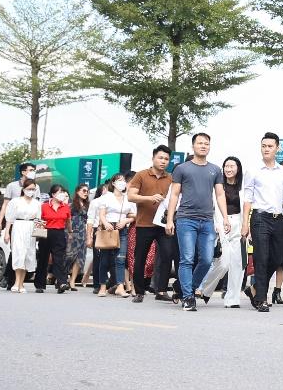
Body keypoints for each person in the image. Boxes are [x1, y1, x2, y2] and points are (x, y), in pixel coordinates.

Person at [167, 132, 231, 313]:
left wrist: (225, 217)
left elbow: (219, 194)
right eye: (200, 143)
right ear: (193, 146)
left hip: (207, 221)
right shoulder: (182, 168)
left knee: (206, 259)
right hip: (186, 219)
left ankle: (184, 289)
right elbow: (174, 195)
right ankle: (188, 296)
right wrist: (170, 219)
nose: (203, 146)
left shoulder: (215, 170)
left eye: (206, 143)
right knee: (186, 259)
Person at [245, 132, 283, 313]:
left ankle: (254, 289)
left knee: (277, 259)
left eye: (270, 146)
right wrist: (246, 223)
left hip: (278, 220)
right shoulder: (253, 170)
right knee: (261, 257)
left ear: (277, 148)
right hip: (260, 217)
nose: (266, 149)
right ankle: (261, 298)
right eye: (263, 146)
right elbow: (247, 199)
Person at [125, 146, 174, 304]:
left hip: (163, 224)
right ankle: (139, 292)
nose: (163, 161)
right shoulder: (141, 175)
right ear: (153, 158)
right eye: (160, 158)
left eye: (166, 159)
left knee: (167, 256)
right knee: (140, 257)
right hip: (144, 224)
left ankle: (161, 290)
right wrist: (149, 198)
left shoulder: (171, 178)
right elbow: (131, 196)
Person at [197, 157, 245, 308]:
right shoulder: (217, 186)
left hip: (239, 223)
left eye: (232, 166)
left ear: (238, 168)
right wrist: (216, 224)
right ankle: (205, 289)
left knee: (238, 264)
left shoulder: (243, 187)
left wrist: (246, 226)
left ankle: (233, 300)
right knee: (223, 263)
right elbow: (212, 206)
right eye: (226, 166)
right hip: (221, 223)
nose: (229, 169)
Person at [91, 180, 133, 296]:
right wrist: (105, 223)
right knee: (104, 259)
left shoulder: (127, 198)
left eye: (124, 181)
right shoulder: (107, 197)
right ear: (113, 183)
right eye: (119, 181)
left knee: (121, 259)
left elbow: (133, 215)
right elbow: (102, 214)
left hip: (122, 229)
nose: (122, 183)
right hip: (108, 228)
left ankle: (120, 286)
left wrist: (126, 220)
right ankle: (102, 286)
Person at [0, 179, 41, 293]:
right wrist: (7, 232)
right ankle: (17, 282)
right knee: (19, 252)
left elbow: (39, 219)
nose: (31, 191)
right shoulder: (16, 201)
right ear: (23, 189)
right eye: (29, 189)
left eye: (33, 189)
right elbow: (9, 218)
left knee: (28, 254)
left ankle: (21, 283)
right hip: (18, 227)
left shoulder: (37, 203)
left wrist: (39, 234)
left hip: (30, 228)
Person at [35, 184, 71, 293]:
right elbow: (38, 220)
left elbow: (68, 221)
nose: (62, 195)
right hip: (46, 232)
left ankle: (62, 282)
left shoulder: (65, 207)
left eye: (63, 192)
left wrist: (70, 232)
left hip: (59, 233)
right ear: (53, 194)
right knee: (43, 259)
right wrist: (39, 228)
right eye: (59, 192)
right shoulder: (44, 206)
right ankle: (40, 284)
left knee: (59, 259)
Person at [67, 184, 90, 289]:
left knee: (80, 258)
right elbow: (67, 220)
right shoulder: (71, 205)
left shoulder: (87, 205)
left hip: (83, 233)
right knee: (69, 256)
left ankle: (72, 281)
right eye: (84, 190)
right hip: (72, 232)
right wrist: (69, 232)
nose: (86, 193)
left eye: (87, 191)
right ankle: (62, 278)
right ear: (77, 191)